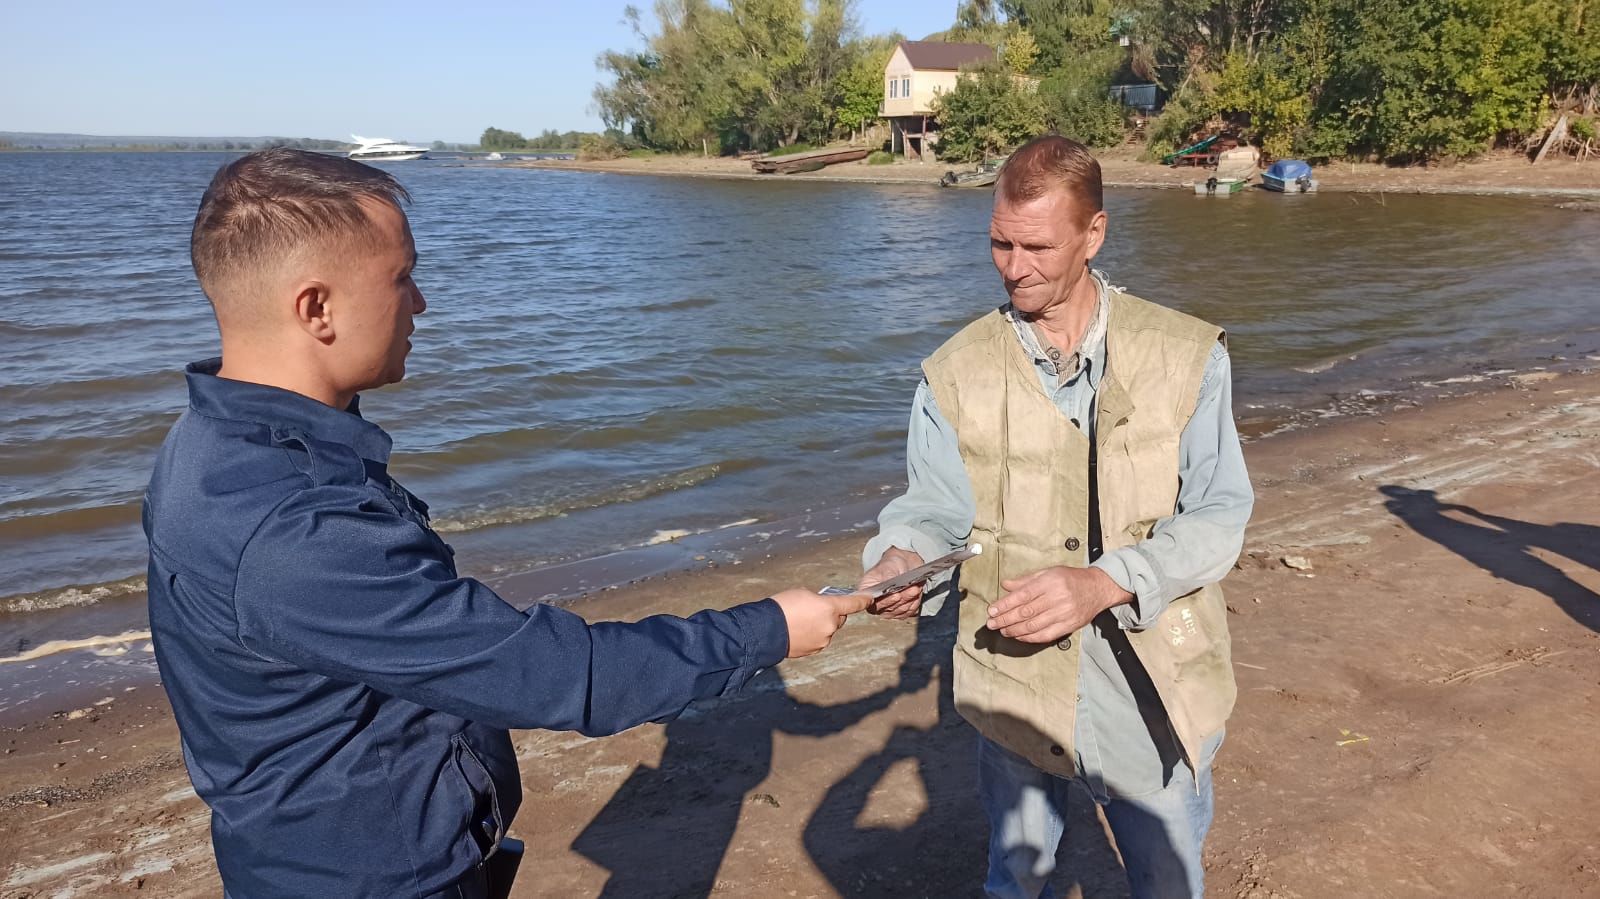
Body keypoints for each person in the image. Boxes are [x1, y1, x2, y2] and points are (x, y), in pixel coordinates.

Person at [142, 148, 868, 898]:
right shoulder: (291, 528)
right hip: (373, 875)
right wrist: (769, 628)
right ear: (316, 308)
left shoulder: (216, 442)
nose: (420, 302)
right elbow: (557, 673)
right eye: (401, 277)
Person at [858, 135, 1253, 899]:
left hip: (1154, 687)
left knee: (1167, 881)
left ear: (1093, 234)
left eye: (1035, 245)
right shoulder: (953, 371)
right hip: (1014, 684)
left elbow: (1220, 514)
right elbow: (933, 507)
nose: (1012, 266)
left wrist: (1106, 581)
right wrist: (904, 558)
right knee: (1014, 877)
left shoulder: (1189, 355)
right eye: (999, 242)